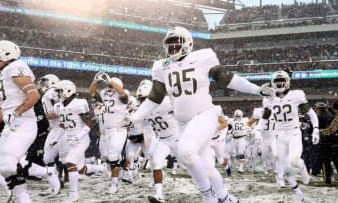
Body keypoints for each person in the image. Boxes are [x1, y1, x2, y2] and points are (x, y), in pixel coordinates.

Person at [123, 26, 275, 203]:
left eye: (176, 43)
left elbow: (227, 79)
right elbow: (154, 97)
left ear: (188, 43)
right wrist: (134, 117)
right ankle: (226, 198)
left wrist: (256, 89)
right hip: (183, 123)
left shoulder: (202, 57)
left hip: (205, 114)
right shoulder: (161, 67)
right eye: (169, 44)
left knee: (186, 152)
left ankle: (208, 196)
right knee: (208, 169)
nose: (172, 47)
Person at [0, 40, 59, 203]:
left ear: (7, 53)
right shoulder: (2, 74)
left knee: (8, 165)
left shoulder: (16, 67)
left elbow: (34, 95)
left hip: (23, 124)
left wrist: (16, 112)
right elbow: (5, 110)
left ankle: (42, 178)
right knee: (6, 168)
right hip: (11, 125)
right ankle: (27, 195)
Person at [260, 70, 319, 202]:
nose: (280, 84)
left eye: (282, 81)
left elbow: (311, 113)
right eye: (277, 81)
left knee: (294, 160)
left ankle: (302, 167)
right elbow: (264, 118)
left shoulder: (296, 95)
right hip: (279, 135)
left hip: (293, 133)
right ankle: (298, 193)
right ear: (272, 83)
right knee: (286, 169)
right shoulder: (269, 99)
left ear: (287, 82)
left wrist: (315, 129)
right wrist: (258, 131)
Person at [53, 80, 106, 202]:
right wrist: (56, 139)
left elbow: (89, 123)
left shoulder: (78, 103)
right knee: (81, 169)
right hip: (70, 139)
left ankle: (74, 194)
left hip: (81, 139)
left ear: (68, 90)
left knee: (70, 161)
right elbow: (63, 125)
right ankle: (102, 168)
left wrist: (78, 136)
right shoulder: (60, 106)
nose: (58, 94)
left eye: (60, 91)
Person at [89, 73, 129, 194]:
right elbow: (92, 93)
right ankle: (121, 164)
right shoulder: (104, 93)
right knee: (107, 156)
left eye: (111, 86)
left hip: (119, 129)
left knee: (112, 156)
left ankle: (115, 184)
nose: (109, 88)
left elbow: (121, 92)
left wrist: (111, 81)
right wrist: (95, 81)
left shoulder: (123, 94)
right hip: (107, 130)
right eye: (108, 86)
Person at [38, 74, 66, 195]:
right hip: (56, 128)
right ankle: (56, 184)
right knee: (49, 158)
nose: (43, 85)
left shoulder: (52, 92)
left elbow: (61, 109)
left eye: (45, 82)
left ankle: (56, 185)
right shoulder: (48, 94)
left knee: (55, 158)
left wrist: (47, 117)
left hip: (60, 129)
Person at [319, 100, 338, 184]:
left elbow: (331, 130)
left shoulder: (337, 118)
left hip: (333, 142)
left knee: (329, 160)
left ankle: (327, 179)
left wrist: (319, 132)